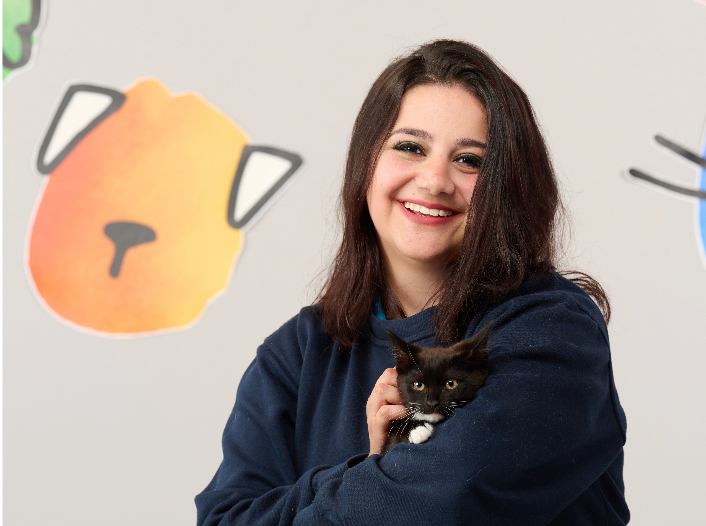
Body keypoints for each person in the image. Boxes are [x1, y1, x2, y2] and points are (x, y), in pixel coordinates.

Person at [196, 40, 629, 525]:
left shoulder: (553, 332)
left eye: (471, 160)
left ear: (508, 187)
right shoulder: (298, 353)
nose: (434, 180)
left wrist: (369, 482)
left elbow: (442, 506)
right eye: (410, 148)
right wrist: (370, 472)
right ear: (365, 164)